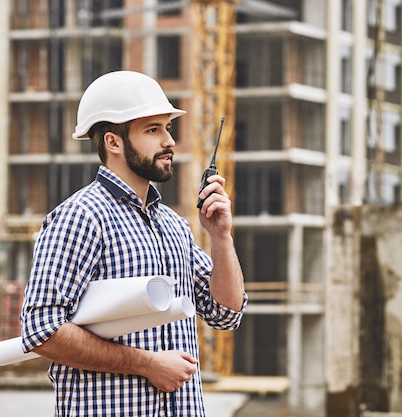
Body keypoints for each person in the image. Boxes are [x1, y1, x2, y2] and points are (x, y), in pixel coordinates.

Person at [19, 70, 247, 416]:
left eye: (167, 128)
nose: (169, 141)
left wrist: (221, 238)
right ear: (113, 142)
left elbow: (226, 313)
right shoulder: (80, 217)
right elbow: (41, 329)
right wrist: (147, 364)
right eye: (153, 130)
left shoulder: (173, 226)